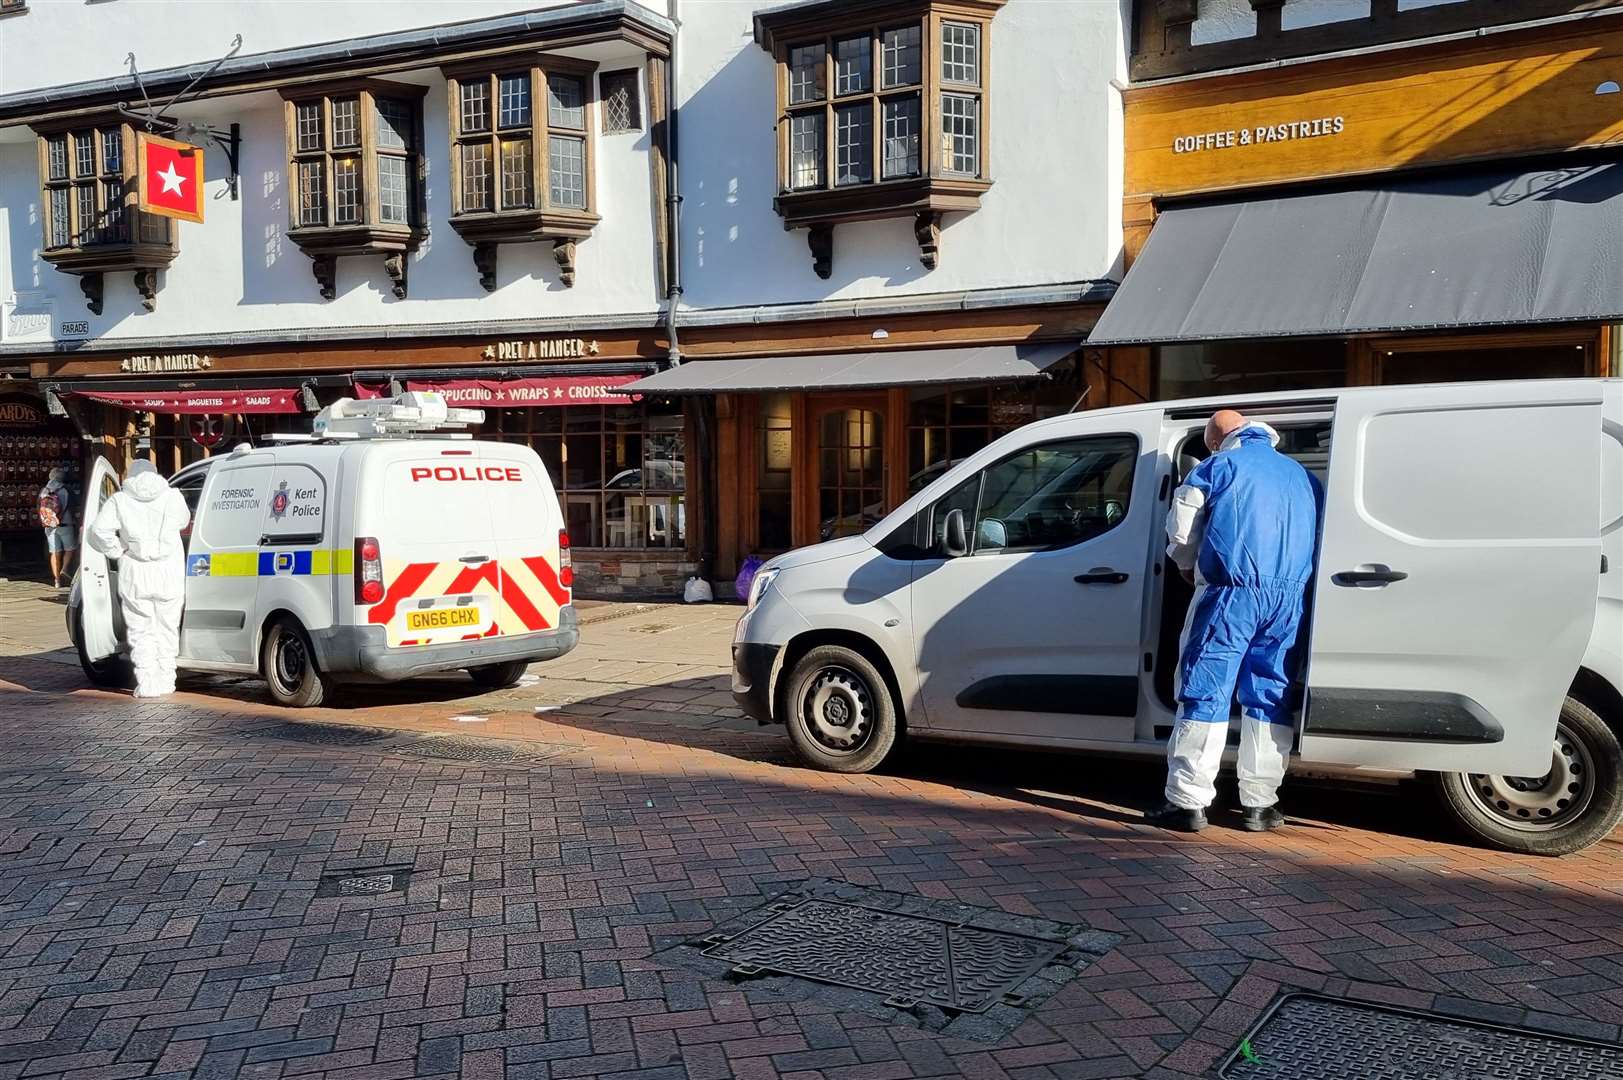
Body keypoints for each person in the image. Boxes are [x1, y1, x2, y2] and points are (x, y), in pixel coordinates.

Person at [1146, 409, 1323, 834]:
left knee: (1205, 692)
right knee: (1269, 696)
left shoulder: (1217, 466)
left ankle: (1187, 803)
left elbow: (1182, 526)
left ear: (1217, 437)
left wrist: (1186, 566)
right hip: (1289, 600)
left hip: (1231, 592)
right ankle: (1260, 805)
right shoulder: (1303, 477)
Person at [86, 459, 191, 698]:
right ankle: (167, 679)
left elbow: (98, 531)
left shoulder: (119, 500)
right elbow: (184, 521)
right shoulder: (172, 496)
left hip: (135, 570)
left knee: (141, 629)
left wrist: (117, 552)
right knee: (167, 627)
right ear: (155, 473)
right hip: (168, 571)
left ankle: (147, 682)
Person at [37, 466, 77, 589]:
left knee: (54, 552)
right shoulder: (66, 489)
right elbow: (74, 505)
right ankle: (64, 569)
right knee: (70, 549)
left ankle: (57, 581)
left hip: (49, 525)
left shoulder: (44, 491)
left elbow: (39, 507)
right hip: (66, 524)